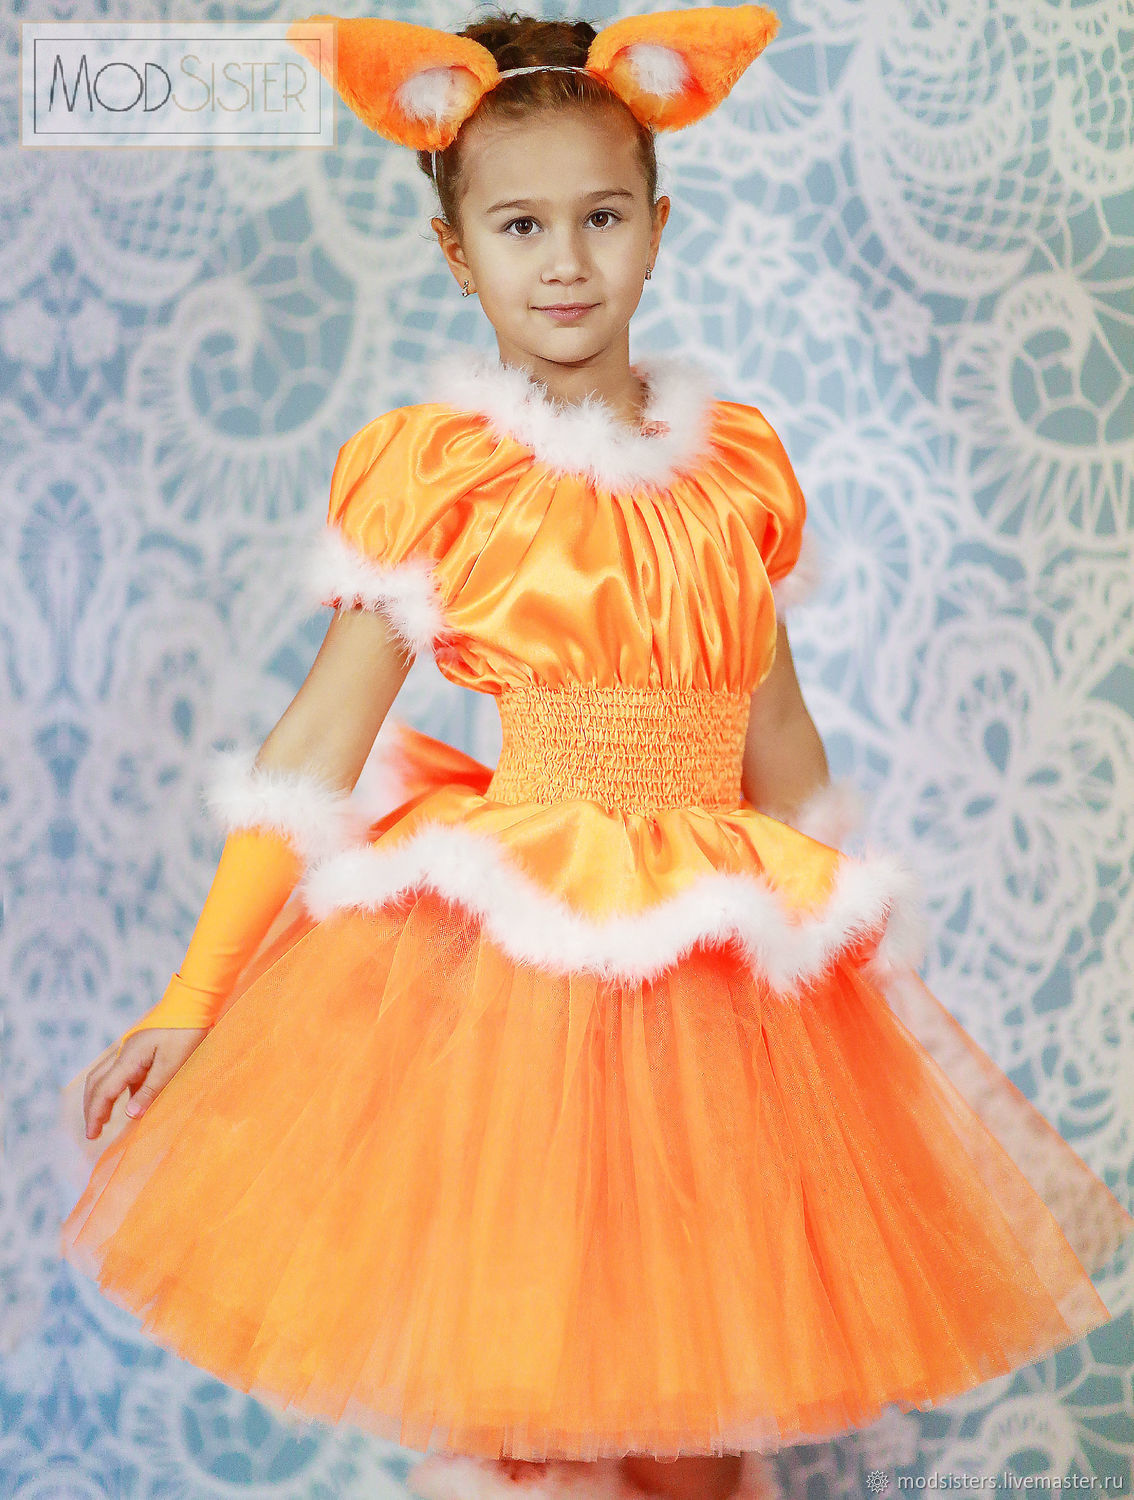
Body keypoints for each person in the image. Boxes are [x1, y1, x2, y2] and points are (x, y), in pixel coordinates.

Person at [57, 8, 1134, 1500]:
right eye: (519, 226)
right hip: (526, 985)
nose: (564, 260)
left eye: (601, 217)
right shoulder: (445, 476)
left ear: (656, 229)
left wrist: (849, 954)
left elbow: (775, 732)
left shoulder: (733, 470)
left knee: (700, 1397)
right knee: (530, 1388)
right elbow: (316, 741)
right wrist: (193, 1001)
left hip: (716, 989)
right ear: (457, 254)